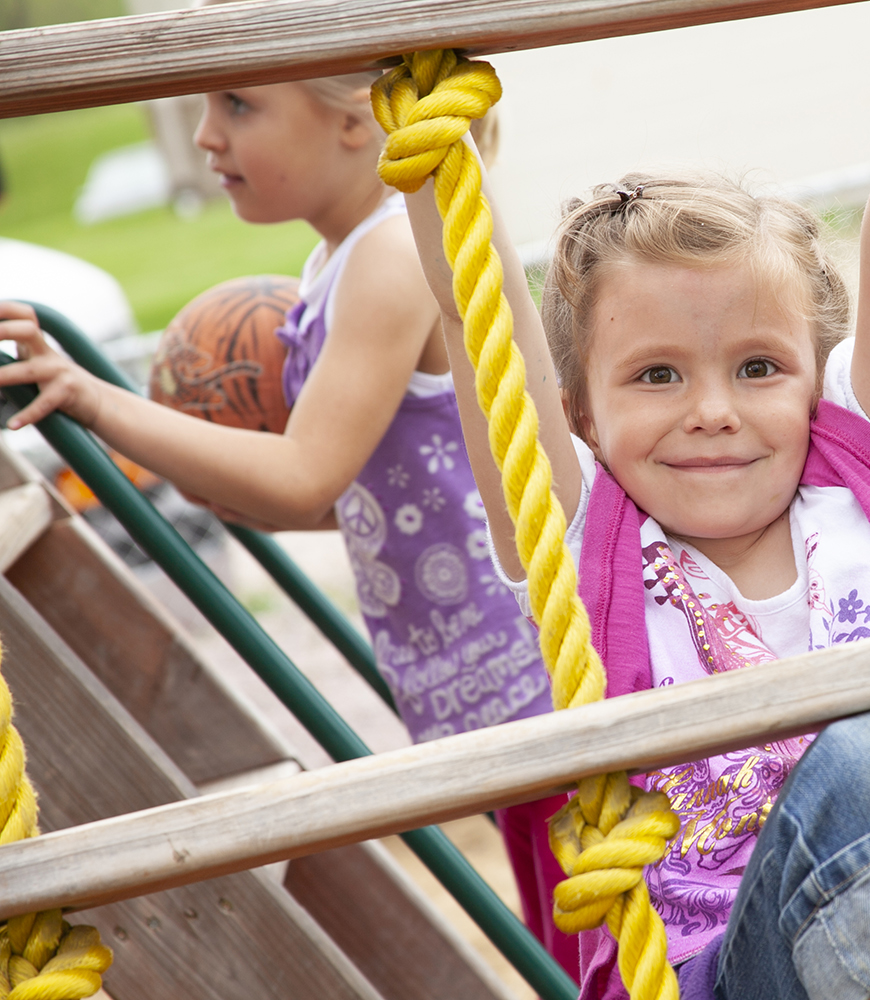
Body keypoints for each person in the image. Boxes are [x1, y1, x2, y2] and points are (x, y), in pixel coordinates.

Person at [404, 2, 870, 996]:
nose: (712, 411)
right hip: (730, 972)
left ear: (816, 378)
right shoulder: (585, 547)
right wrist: (432, 131)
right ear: (576, 409)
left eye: (758, 366)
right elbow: (467, 299)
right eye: (656, 375)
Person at [0, 68, 576, 974]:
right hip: (478, 682)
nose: (204, 137)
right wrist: (242, 488)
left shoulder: (394, 251)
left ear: (354, 120)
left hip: (529, 664)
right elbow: (389, 495)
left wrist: (97, 401)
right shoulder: (336, 262)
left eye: (238, 105)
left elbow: (307, 474)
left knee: (590, 938)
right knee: (563, 938)